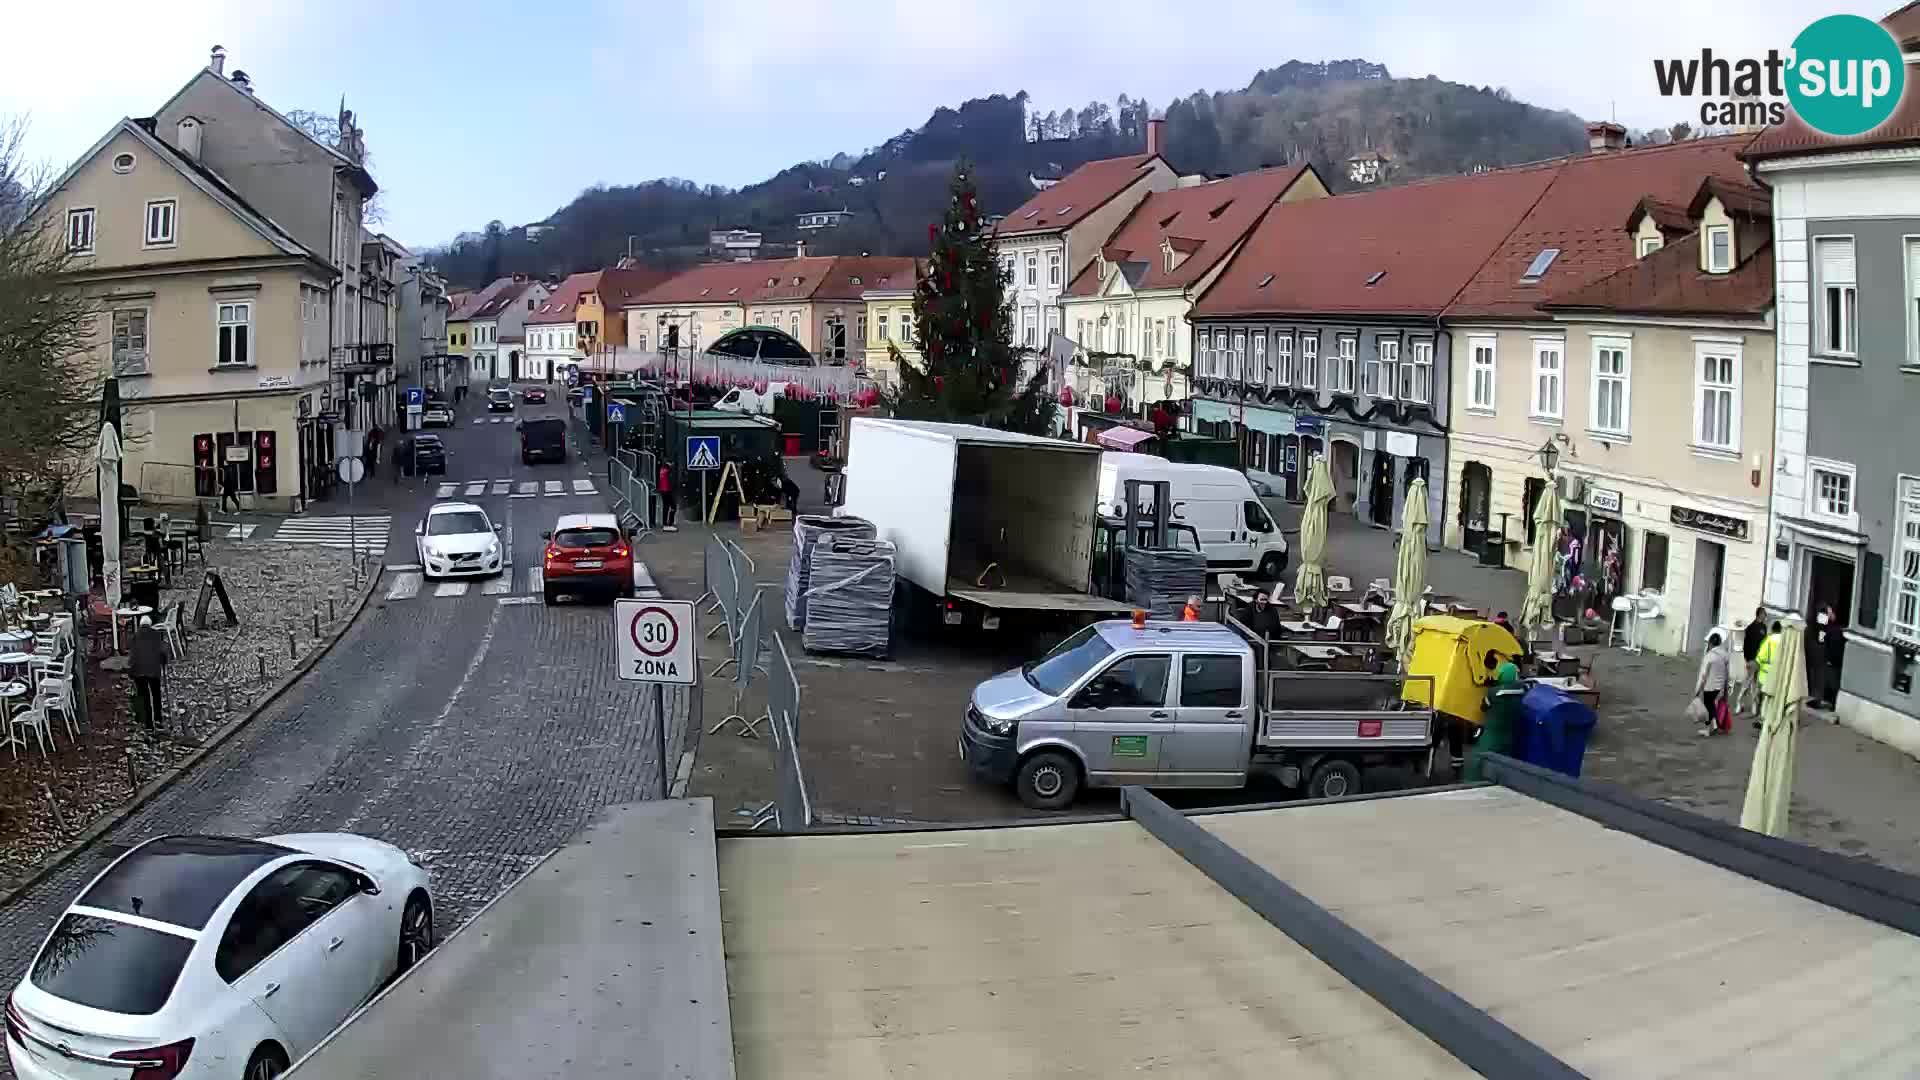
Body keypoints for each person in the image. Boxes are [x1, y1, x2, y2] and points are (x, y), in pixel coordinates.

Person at [1464, 656, 1524, 782]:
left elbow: (1483, 707)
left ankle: (1474, 783)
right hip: (1510, 734)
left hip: (1492, 734)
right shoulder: (1522, 690)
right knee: (1505, 762)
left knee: (1479, 760)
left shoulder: (1494, 693)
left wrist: (1491, 686)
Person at [129, 614, 168, 730]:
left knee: (144, 696)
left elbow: (133, 656)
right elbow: (163, 651)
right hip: (154, 670)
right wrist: (164, 661)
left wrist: (131, 672)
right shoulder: (157, 634)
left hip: (139, 671)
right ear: (150, 624)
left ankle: (148, 723)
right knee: (156, 694)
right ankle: (158, 718)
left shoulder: (135, 636)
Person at [1695, 632, 1730, 737]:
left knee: (1708, 708)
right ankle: (1714, 725)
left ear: (1710, 643)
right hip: (1720, 688)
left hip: (1709, 687)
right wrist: (1727, 687)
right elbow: (1727, 673)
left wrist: (1697, 690)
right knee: (1712, 707)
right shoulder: (1725, 655)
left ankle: (1707, 730)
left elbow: (1703, 675)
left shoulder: (1709, 656)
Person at [1738, 607, 1769, 716]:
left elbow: (1765, 644)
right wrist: (1747, 659)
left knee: (1756, 685)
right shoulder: (1751, 628)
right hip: (1752, 660)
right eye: (1765, 614)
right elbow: (1746, 645)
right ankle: (1739, 702)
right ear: (1760, 614)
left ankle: (1754, 707)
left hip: (1760, 660)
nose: (1766, 616)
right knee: (1747, 683)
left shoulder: (1764, 628)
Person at [1753, 620, 1783, 730]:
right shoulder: (1785, 643)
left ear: (1772, 629)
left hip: (1764, 676)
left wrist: (1754, 674)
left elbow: (1760, 658)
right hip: (1778, 676)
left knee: (1762, 700)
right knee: (1774, 700)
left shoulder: (1768, 641)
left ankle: (1762, 720)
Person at [1817, 605, 1847, 715]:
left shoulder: (1835, 629)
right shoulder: (1826, 626)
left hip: (1833, 660)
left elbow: (1831, 644)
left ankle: (1831, 703)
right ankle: (1826, 700)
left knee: (1833, 682)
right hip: (1830, 658)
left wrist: (1831, 658)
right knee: (1829, 680)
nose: (1830, 615)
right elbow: (1821, 638)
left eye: (1830, 613)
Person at [657, 463, 678, 532]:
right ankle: (670, 522)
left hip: (663, 491)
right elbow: (672, 481)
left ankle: (665, 522)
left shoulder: (661, 470)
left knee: (665, 507)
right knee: (673, 506)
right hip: (667, 491)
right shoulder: (667, 471)